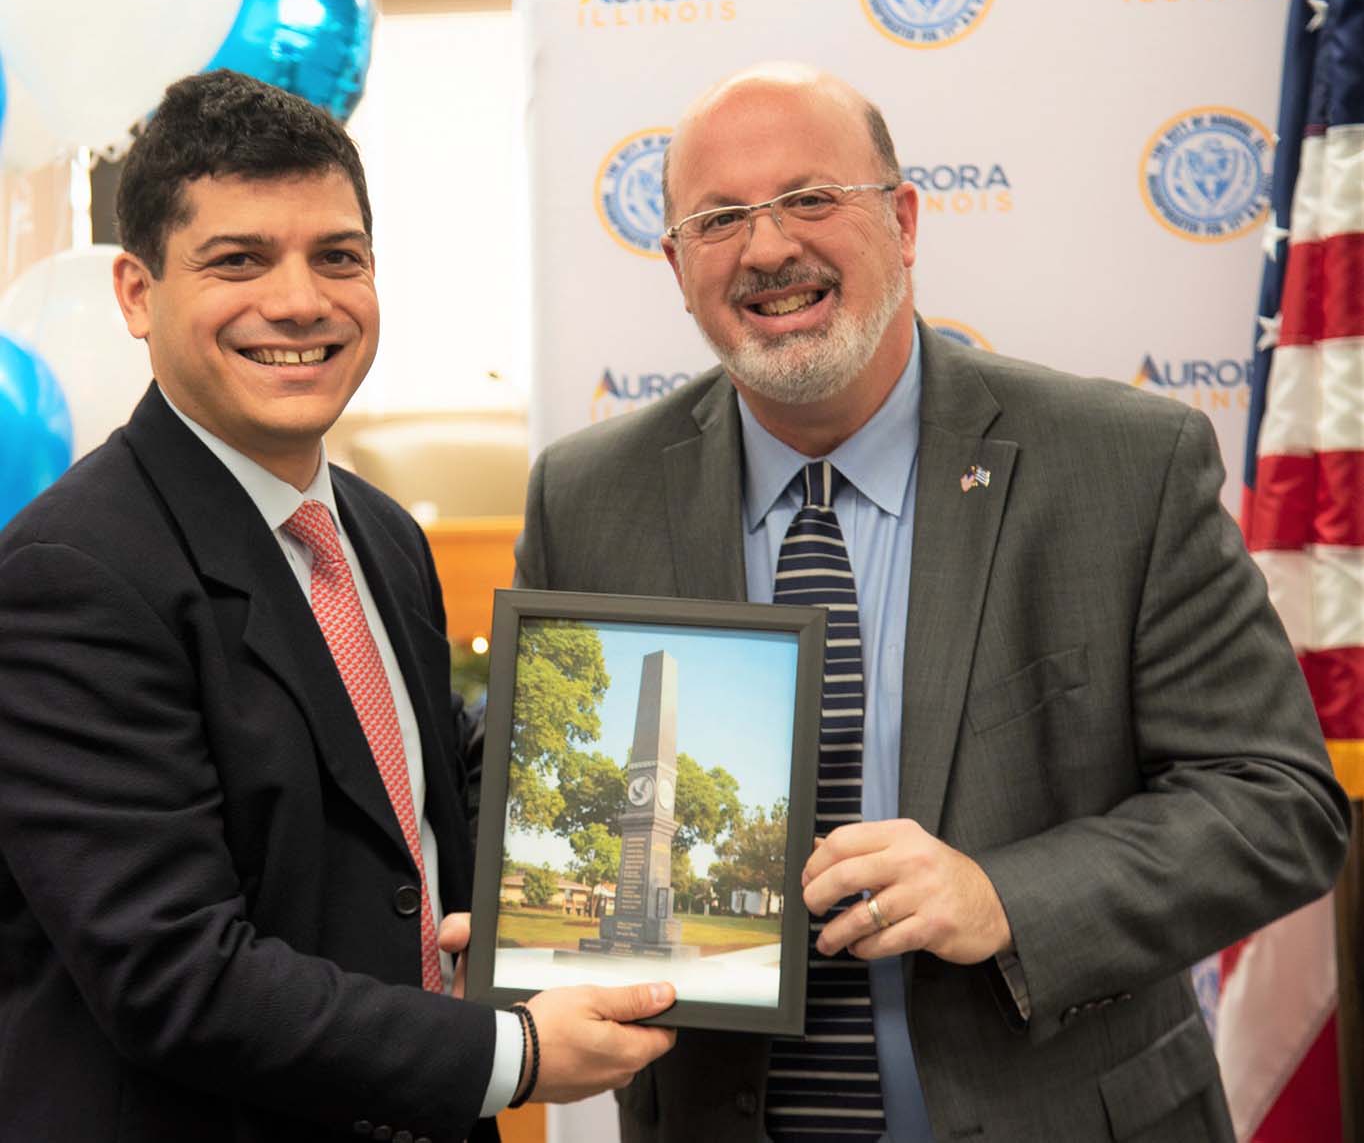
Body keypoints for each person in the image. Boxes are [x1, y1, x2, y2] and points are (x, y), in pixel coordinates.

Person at [513, 61, 1351, 1142]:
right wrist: (515, 921)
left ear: (903, 222)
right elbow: (557, 797)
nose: (768, 248)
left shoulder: (1120, 467)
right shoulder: (586, 497)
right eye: (718, 219)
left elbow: (1274, 803)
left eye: (812, 199)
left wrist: (1006, 898)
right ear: (676, 265)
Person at [0, 70, 675, 1143]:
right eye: (237, 260)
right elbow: (175, 976)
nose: (301, 301)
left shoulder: (377, 531)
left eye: (337, 256)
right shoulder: (70, 573)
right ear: (136, 293)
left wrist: (658, 782)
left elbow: (408, 785)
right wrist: (520, 1054)